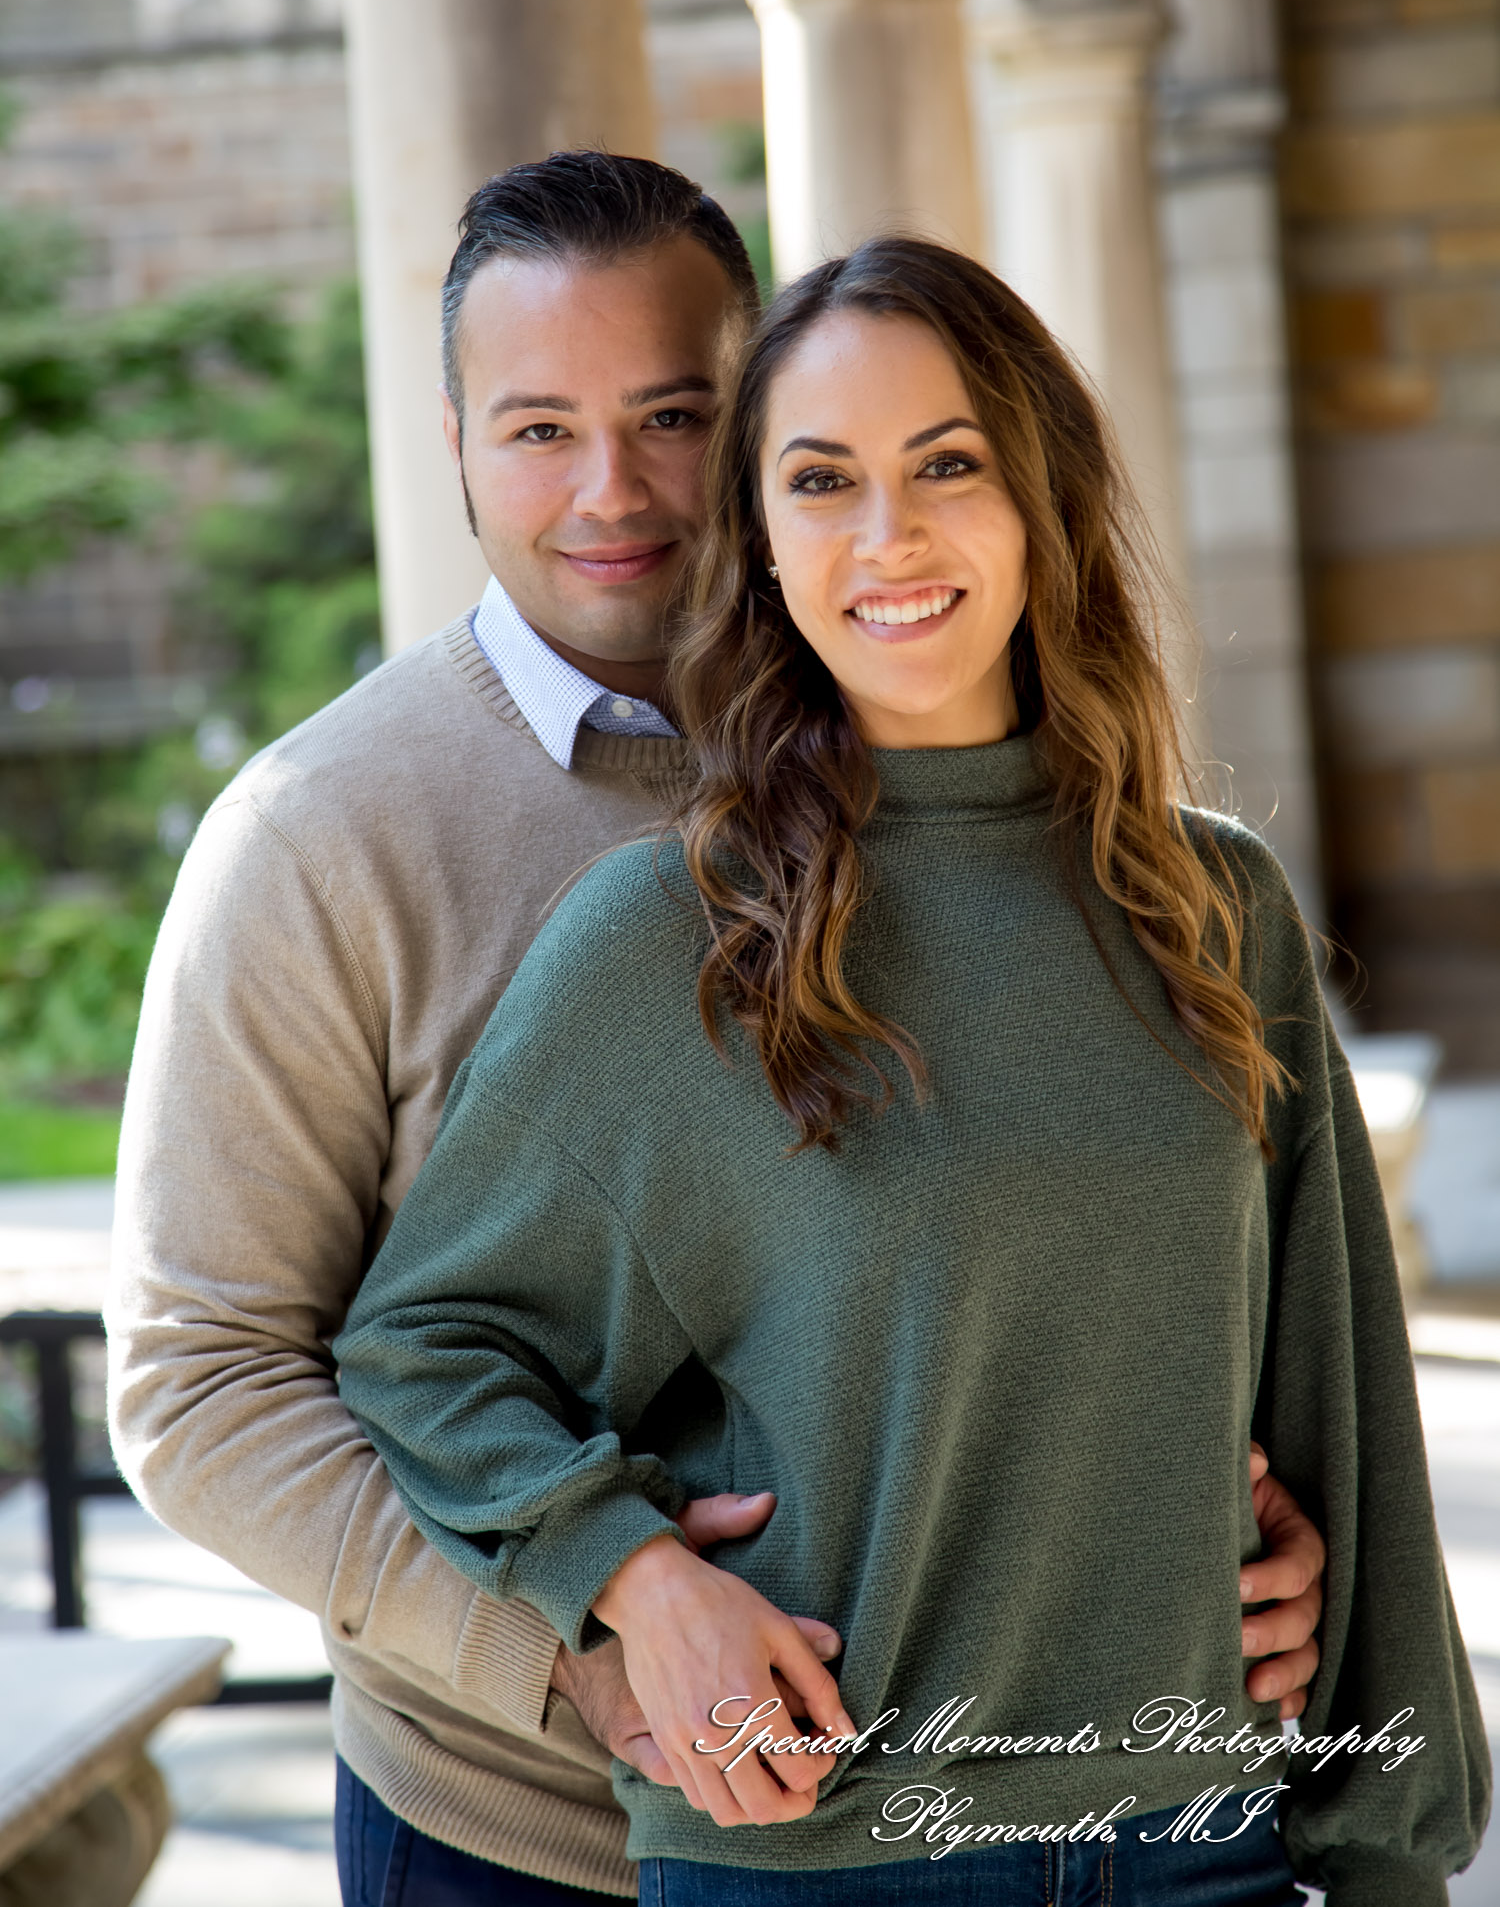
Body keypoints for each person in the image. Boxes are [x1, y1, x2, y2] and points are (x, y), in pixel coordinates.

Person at [107, 156, 1325, 1907]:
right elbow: (206, 1384)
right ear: (452, 443)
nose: (612, 491)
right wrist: (586, 1639)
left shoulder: (981, 771)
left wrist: (1187, 1516)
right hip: (505, 1828)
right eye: (537, 428)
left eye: (674, 413)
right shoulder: (320, 836)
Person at [333, 235, 1489, 1906]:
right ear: (766, 548)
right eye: (822, 480)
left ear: (1040, 498)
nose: (889, 534)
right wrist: (635, 1576)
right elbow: (425, 1339)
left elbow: (1340, 1407)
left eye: (946, 463)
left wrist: (1391, 1864)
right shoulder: (675, 934)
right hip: (830, 1861)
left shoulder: (1210, 904)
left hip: (1203, 1851)